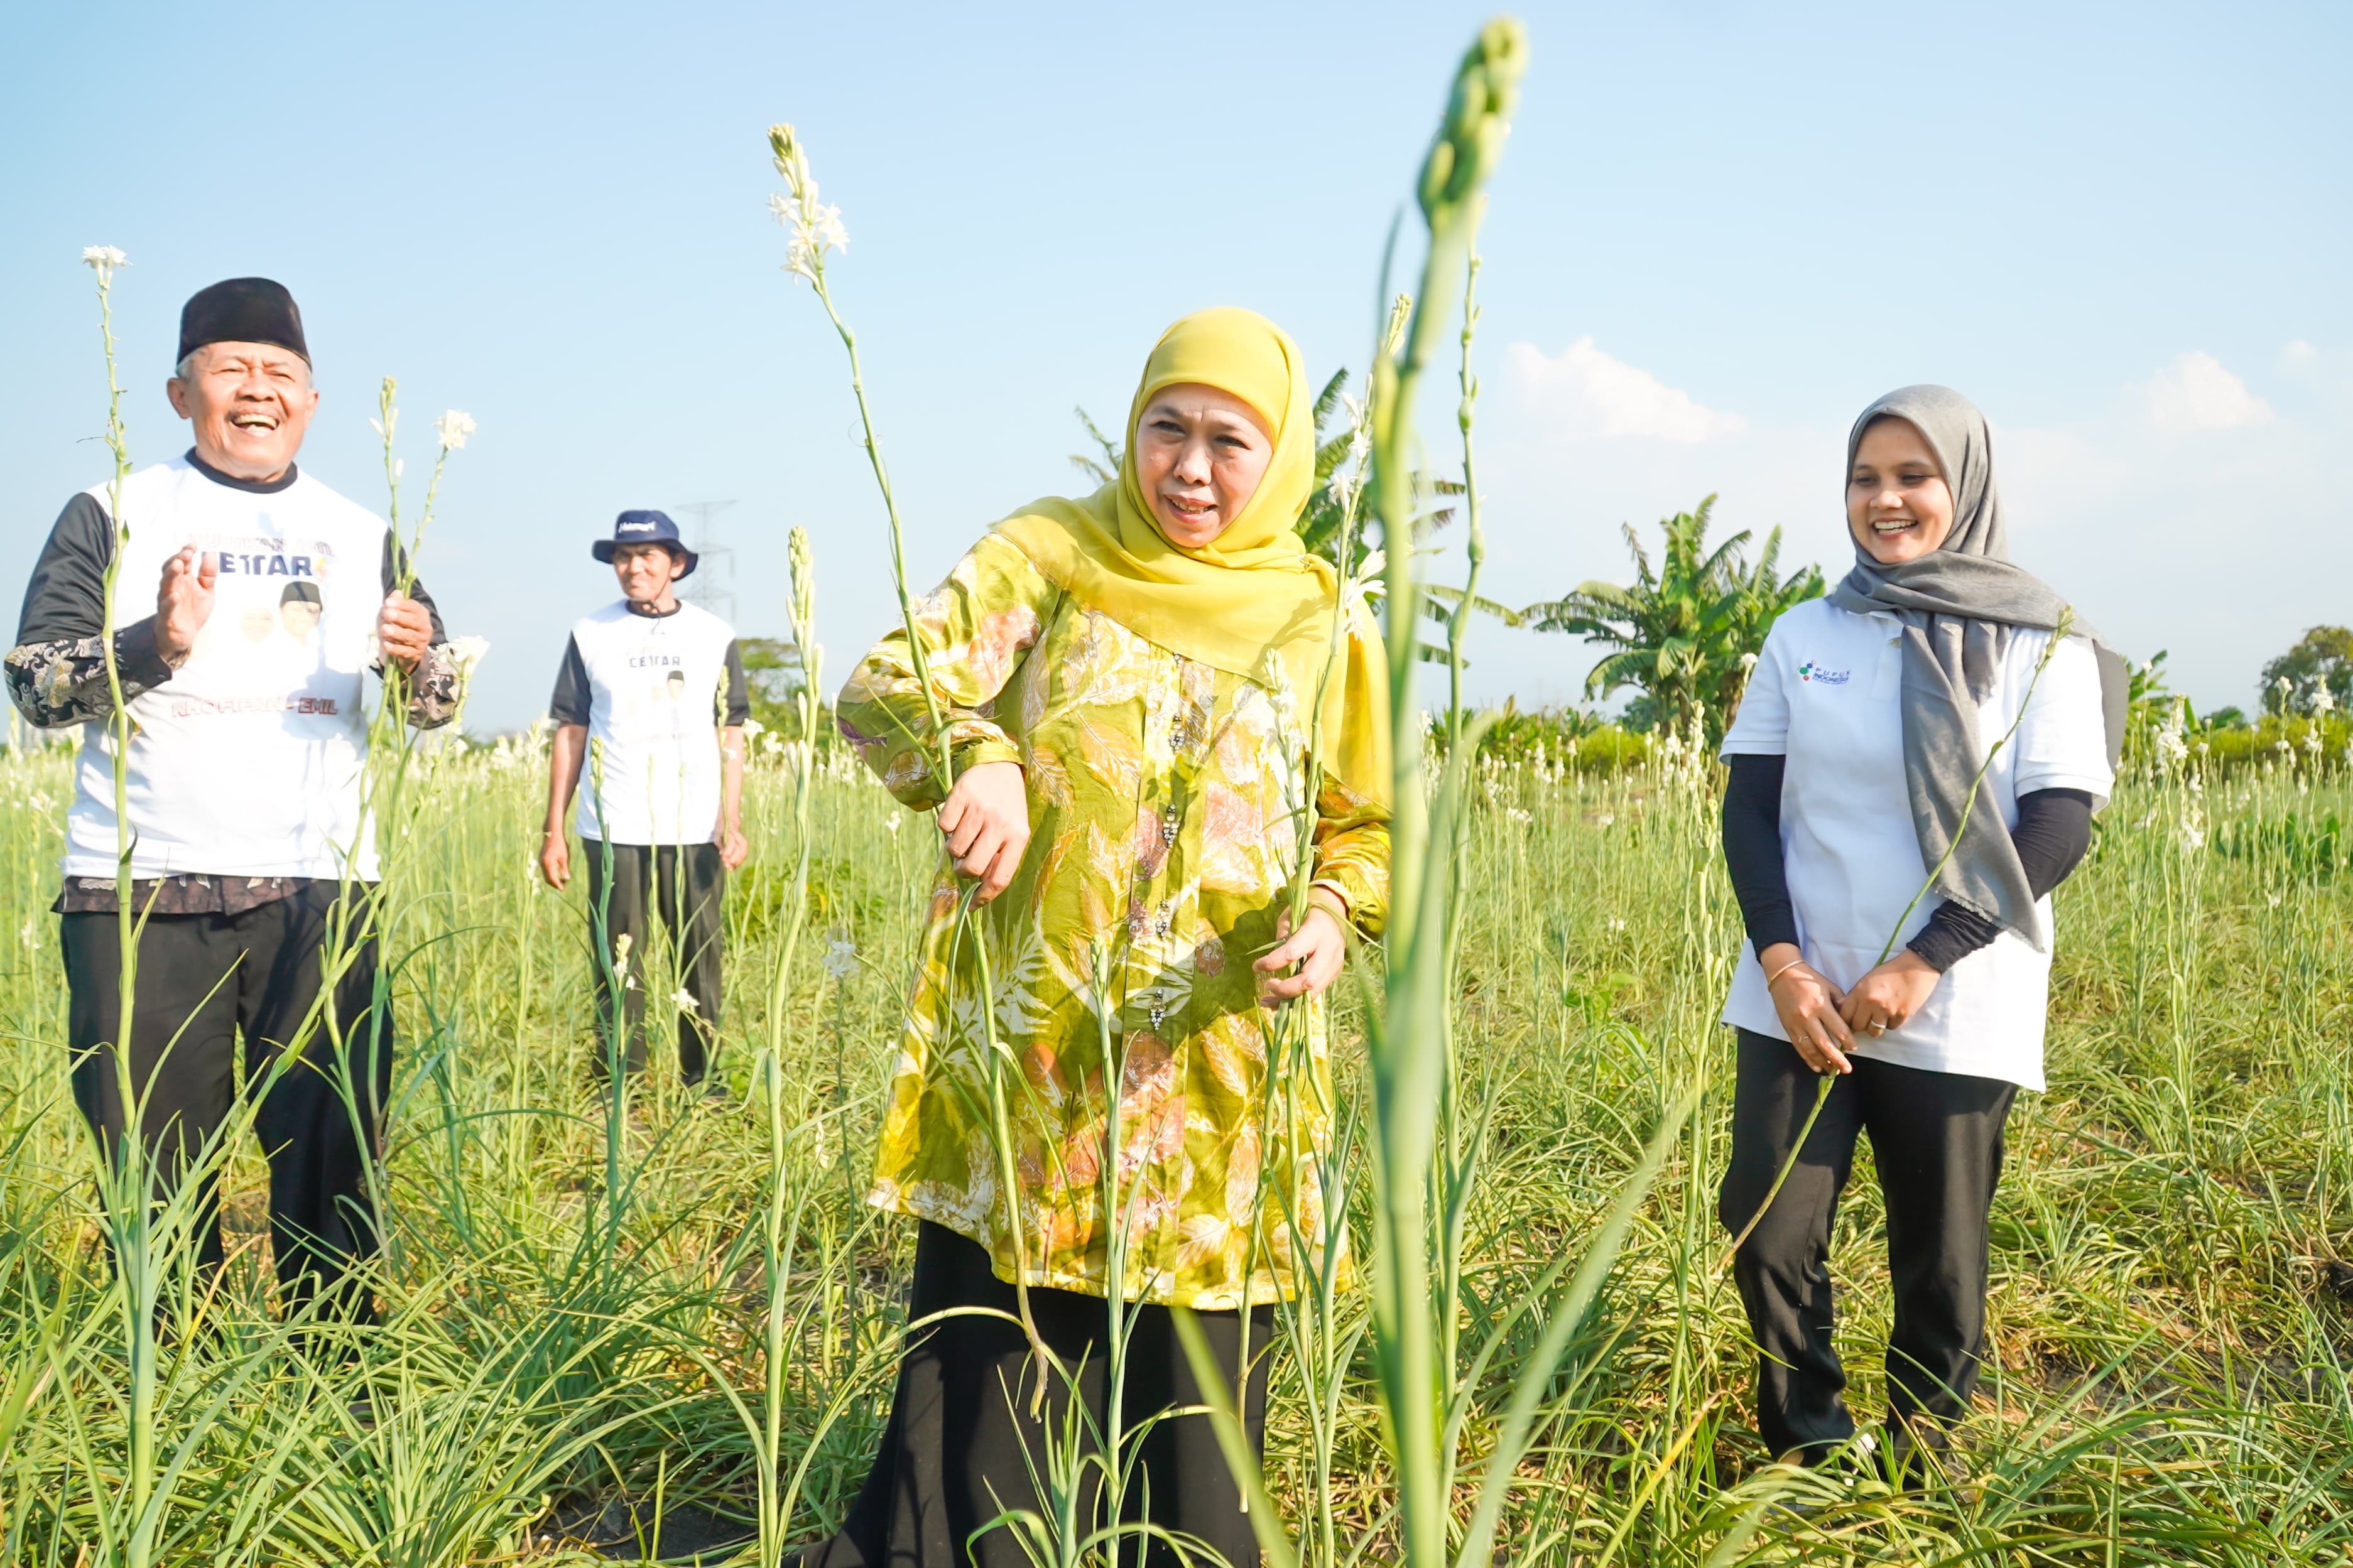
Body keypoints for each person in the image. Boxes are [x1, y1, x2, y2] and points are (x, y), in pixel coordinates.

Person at [808, 308, 1390, 1568]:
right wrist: (984, 753)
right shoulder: (1052, 554)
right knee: (995, 1409)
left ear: (1280, 452)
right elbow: (881, 687)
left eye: (1230, 440)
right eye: (1164, 430)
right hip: (1034, 1064)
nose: (1190, 468)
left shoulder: (1320, 615)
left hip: (1213, 1085)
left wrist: (1335, 915)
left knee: (1190, 1444)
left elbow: (1362, 826)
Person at [4, 276, 460, 1323]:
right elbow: (34, 683)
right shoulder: (114, 513)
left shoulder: (361, 527)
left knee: (329, 1165)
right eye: (231, 369)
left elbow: (436, 702)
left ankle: (337, 1387)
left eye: (281, 373)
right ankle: (175, 1403)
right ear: (179, 393)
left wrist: (421, 662)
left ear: (311, 399)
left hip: (320, 897)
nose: (257, 390)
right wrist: (154, 641)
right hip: (139, 894)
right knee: (154, 1178)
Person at [1715, 385, 2124, 1475]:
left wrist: (1926, 956)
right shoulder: (1805, 630)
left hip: (1954, 992)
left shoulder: (2042, 640)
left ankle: (1922, 1458)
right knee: (1766, 1221)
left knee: (1938, 1253)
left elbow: (2058, 822)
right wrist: (1785, 961)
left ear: (1965, 485)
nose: (1884, 500)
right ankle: (1812, 1447)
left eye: (1911, 478)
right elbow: (1750, 805)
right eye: (1864, 478)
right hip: (1796, 989)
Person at [539, 511, 749, 1091]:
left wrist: (731, 819)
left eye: (648, 556)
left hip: (693, 822)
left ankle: (702, 1078)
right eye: (624, 557)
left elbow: (730, 731)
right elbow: (571, 731)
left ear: (675, 565)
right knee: (617, 958)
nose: (633, 567)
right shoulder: (590, 633)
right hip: (613, 821)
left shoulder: (713, 634)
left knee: (699, 955)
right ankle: (619, 1080)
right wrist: (553, 829)